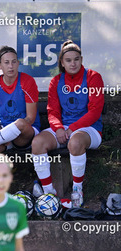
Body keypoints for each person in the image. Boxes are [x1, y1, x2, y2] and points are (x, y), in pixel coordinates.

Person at [31, 40, 104, 207]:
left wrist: (72, 129)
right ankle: (49, 194)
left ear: (81, 59)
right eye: (68, 60)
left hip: (89, 129)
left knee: (75, 142)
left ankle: (77, 190)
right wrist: (58, 129)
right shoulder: (56, 81)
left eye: (76, 59)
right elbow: (53, 111)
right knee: (37, 143)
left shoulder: (93, 77)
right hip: (64, 128)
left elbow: (95, 111)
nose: (73, 63)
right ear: (62, 63)